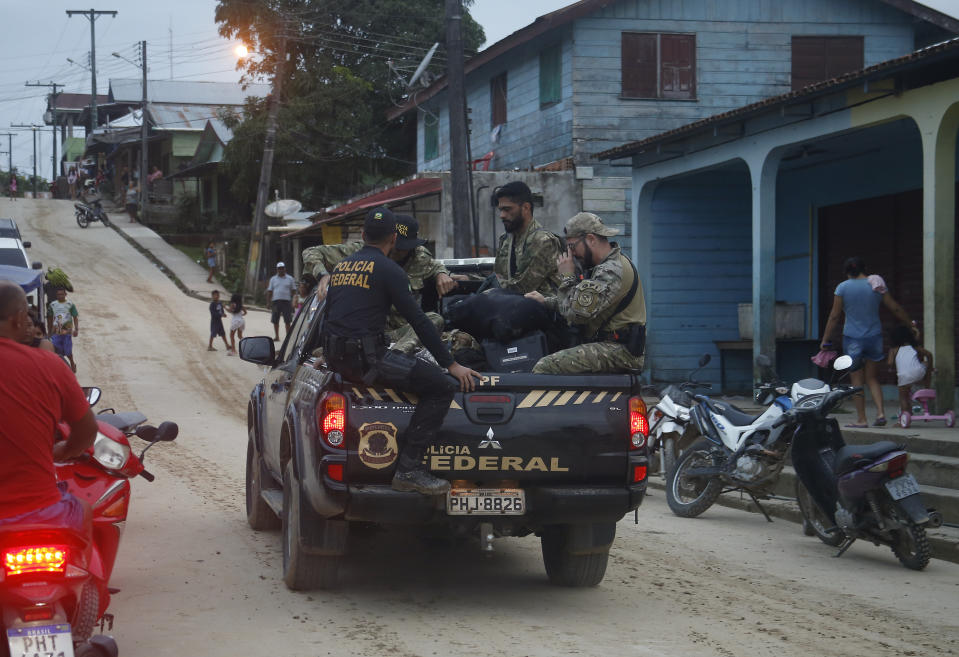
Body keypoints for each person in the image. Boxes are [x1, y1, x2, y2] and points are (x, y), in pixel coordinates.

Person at [322, 206, 480, 495]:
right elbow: (418, 320)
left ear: (362, 234)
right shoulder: (390, 270)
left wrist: (328, 359)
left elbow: (328, 318)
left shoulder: (342, 268)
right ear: (393, 238)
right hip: (368, 360)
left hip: (338, 359)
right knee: (441, 386)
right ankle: (409, 470)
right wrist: (451, 365)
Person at [0, 281, 98, 536]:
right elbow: (87, 430)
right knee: (85, 509)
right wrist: (63, 450)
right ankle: (88, 577)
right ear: (19, 319)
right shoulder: (51, 365)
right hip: (40, 509)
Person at [304, 214, 455, 353]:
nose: (396, 251)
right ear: (389, 239)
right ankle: (393, 358)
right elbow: (311, 252)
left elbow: (434, 266)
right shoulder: (359, 252)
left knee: (434, 320)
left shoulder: (419, 257)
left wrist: (442, 274)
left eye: (403, 248)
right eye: (395, 246)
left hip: (401, 336)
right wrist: (322, 276)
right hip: (362, 337)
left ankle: (397, 355)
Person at [526, 212, 647, 375]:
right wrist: (545, 301)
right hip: (607, 344)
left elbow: (577, 313)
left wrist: (567, 277)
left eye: (572, 246)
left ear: (590, 239)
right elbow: (581, 300)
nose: (571, 253)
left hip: (620, 351)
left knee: (546, 366)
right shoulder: (602, 266)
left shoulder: (610, 271)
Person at [820, 256, 917, 427]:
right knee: (872, 377)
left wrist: (825, 339)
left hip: (852, 339)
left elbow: (834, 316)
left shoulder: (842, 287)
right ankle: (880, 414)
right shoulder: (875, 284)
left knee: (857, 380)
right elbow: (894, 307)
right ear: (864, 269)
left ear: (847, 272)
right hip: (874, 337)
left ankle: (862, 419)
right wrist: (911, 324)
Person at [492, 181, 563, 296]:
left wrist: (485, 291)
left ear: (525, 208)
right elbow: (498, 277)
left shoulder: (543, 241)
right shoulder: (506, 239)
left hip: (540, 307)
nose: (502, 215)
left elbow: (522, 287)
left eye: (507, 209)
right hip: (511, 303)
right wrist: (466, 280)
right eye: (501, 210)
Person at [888, 323, 933, 418]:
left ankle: (905, 416)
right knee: (925, 364)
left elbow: (889, 362)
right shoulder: (914, 346)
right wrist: (930, 368)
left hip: (903, 376)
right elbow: (929, 354)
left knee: (903, 397)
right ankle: (927, 386)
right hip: (919, 372)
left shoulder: (893, 349)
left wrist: (892, 367)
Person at [46, 288, 79, 373]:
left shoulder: (70, 304)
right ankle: (60, 367)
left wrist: (76, 329)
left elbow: (75, 316)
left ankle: (72, 363)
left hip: (67, 332)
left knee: (68, 351)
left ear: (65, 295)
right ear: (56, 295)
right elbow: (49, 318)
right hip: (56, 332)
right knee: (56, 351)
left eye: (62, 294)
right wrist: (49, 331)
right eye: (58, 294)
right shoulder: (52, 305)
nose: (60, 296)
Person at [266, 262, 296, 341]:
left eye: (282, 268)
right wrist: (268, 302)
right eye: (279, 268)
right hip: (276, 302)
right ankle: (277, 336)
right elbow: (270, 291)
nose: (281, 270)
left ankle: (288, 337)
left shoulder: (290, 278)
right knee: (275, 320)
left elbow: (293, 290)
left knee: (287, 320)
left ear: (284, 268)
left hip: (286, 302)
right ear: (277, 269)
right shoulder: (273, 279)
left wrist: (293, 300)